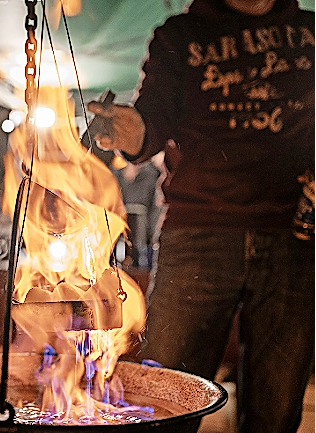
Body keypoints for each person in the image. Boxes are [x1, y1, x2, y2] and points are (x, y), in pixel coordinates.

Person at [87, 1, 314, 432]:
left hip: (295, 235)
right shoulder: (180, 36)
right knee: (166, 400)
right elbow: (150, 123)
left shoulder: (311, 31)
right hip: (198, 232)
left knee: (277, 411)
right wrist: (132, 131)